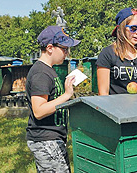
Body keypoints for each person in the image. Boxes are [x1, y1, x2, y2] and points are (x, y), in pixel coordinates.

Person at [25, 25, 80, 172]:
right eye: (64, 49)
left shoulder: (49, 71)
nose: (67, 53)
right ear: (50, 48)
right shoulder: (41, 73)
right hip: (45, 141)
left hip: (52, 139)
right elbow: (39, 110)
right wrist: (66, 95)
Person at [96, 7, 137, 95]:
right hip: (116, 106)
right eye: (133, 28)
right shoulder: (107, 54)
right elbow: (103, 93)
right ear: (121, 29)